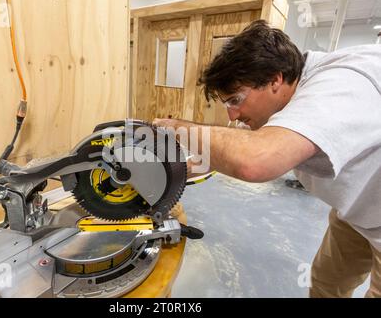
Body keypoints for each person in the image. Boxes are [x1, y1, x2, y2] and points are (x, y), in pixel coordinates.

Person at [153, 20, 381, 298]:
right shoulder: (278, 99)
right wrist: (165, 173)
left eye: (235, 100)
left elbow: (255, 161)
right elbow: (222, 152)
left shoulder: (340, 85)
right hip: (356, 209)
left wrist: (174, 127)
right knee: (326, 283)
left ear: (275, 79)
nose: (231, 115)